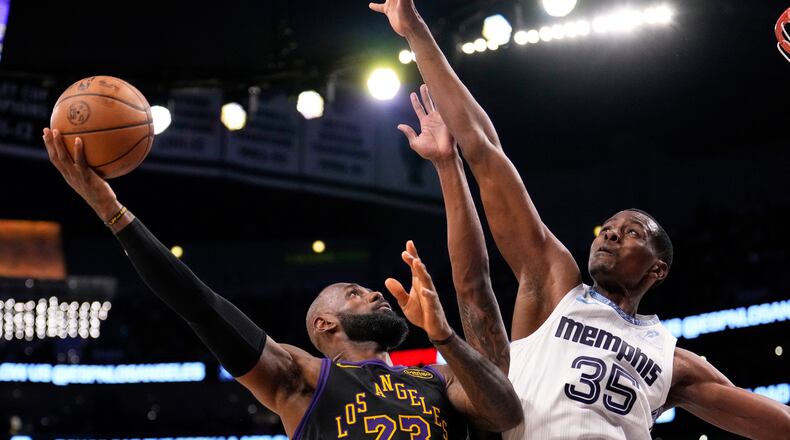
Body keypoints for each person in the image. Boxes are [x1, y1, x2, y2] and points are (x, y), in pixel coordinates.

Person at [370, 1, 790, 439]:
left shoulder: (673, 360)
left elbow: (779, 425)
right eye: (607, 227)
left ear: (657, 268)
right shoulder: (553, 285)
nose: (610, 233)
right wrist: (416, 33)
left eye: (631, 233)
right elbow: (484, 150)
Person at [42, 127, 522, 439]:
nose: (376, 292)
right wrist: (110, 211)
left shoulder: (438, 378)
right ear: (324, 323)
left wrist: (442, 335)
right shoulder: (304, 378)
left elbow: (504, 410)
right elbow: (202, 307)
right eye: (354, 293)